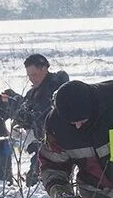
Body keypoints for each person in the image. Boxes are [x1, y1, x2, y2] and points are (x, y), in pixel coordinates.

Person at [4, 54, 69, 185]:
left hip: (57, 146)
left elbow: (40, 116)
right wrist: (13, 101)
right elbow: (25, 115)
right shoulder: (34, 93)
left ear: (44, 69)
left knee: (39, 182)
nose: (31, 79)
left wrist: (19, 108)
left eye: (34, 75)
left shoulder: (54, 90)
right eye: (29, 76)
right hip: (41, 145)